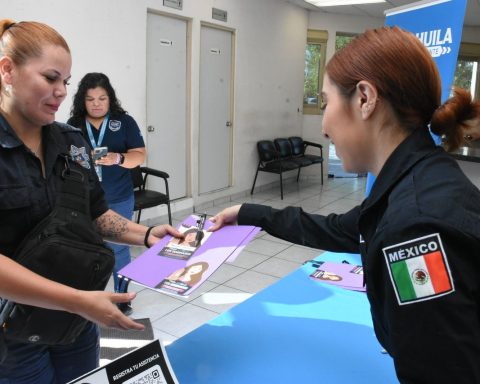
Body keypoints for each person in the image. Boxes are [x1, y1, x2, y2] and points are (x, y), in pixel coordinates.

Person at [209, 26, 480, 383]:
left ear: (365, 98)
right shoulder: (417, 178)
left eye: (325, 103)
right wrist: (248, 213)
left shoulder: (415, 228)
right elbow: (342, 229)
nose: (323, 126)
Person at [0, 19, 182, 383]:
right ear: (7, 69)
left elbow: (96, 214)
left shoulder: (72, 143)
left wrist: (147, 235)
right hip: (13, 332)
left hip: (79, 322)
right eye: (50, 78)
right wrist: (77, 300)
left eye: (66, 82)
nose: (61, 91)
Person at [67, 73, 145, 315]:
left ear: (110, 99)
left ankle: (122, 297)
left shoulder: (124, 121)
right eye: (90, 99)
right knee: (87, 248)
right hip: (84, 199)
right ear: (83, 101)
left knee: (119, 248)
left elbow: (139, 155)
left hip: (118, 197)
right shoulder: (74, 124)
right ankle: (89, 297)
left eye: (102, 98)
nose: (97, 103)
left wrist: (118, 158)